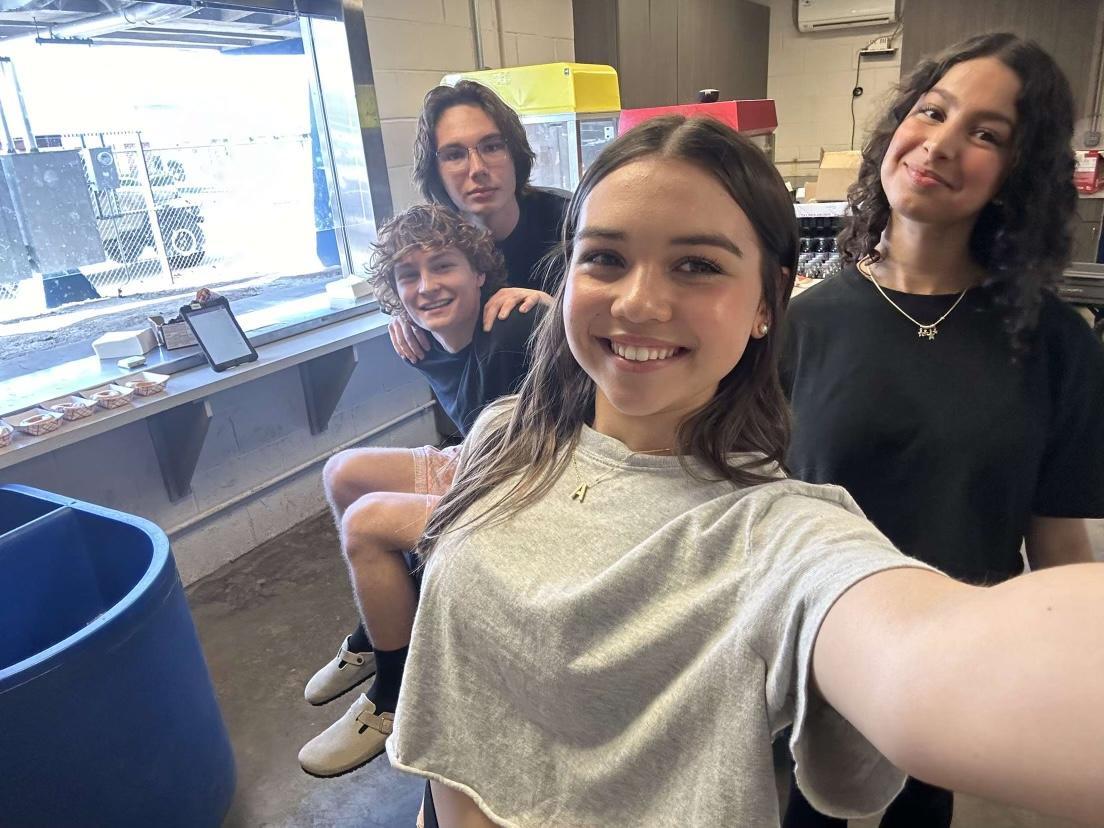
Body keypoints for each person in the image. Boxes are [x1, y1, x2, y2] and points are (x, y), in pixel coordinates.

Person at [378, 115, 1104, 827]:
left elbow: (929, 663)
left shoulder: (779, 537)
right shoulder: (507, 434)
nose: (638, 302)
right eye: (605, 258)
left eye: (697, 265)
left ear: (767, 300)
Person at [780, 33, 1104, 827]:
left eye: (986, 133)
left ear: (1018, 174)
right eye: (932, 111)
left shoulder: (1056, 344)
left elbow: (1058, 545)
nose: (941, 143)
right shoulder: (799, 326)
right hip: (802, 673)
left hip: (951, 685)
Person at [298, 204, 550, 777]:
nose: (427, 286)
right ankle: (376, 631)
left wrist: (552, 305)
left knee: (367, 522)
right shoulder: (422, 338)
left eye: (443, 266)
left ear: (480, 273)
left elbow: (586, 350)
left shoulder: (512, 324)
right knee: (343, 472)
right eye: (408, 276)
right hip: (482, 458)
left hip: (532, 481)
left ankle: (393, 697)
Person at [388, 80, 569, 364]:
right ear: (435, 171)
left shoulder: (572, 223)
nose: (477, 169)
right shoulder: (437, 239)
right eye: (454, 155)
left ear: (515, 155)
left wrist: (555, 312)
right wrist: (405, 312)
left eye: (492, 147)